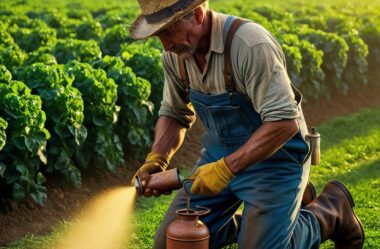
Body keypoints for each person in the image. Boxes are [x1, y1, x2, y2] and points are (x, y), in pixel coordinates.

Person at [129, 0, 365, 248]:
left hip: (277, 161)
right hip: (219, 156)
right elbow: (175, 114)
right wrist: (156, 159)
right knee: (172, 242)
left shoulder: (249, 44)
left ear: (197, 15)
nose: (166, 45)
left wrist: (226, 169)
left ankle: (330, 211)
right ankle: (261, 225)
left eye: (168, 31)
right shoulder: (176, 56)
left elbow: (284, 123)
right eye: (158, 36)